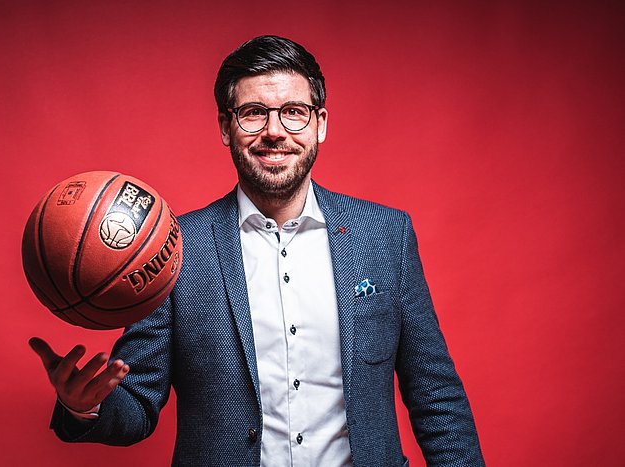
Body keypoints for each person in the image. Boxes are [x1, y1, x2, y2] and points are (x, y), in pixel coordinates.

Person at [30, 35, 485, 466]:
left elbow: (436, 397)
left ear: (320, 124)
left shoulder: (384, 235)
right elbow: (138, 404)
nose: (274, 131)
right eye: (253, 113)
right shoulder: (173, 248)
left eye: (294, 112)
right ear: (226, 127)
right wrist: (84, 406)